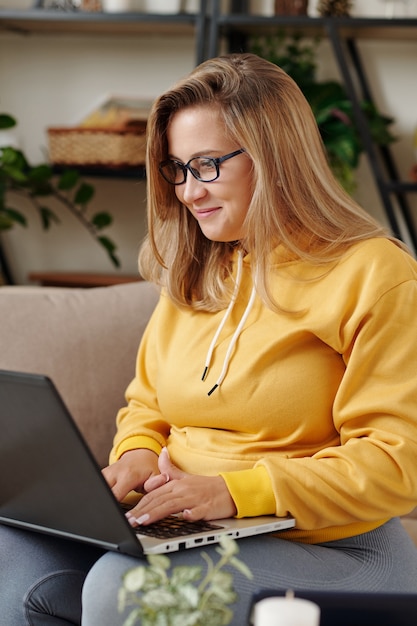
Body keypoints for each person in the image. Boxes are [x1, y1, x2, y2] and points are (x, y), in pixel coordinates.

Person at [2, 52, 417, 625]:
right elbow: (147, 405)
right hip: (196, 530)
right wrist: (136, 457)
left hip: (333, 548)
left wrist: (233, 492)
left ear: (275, 158)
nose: (187, 192)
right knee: (10, 550)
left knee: (128, 587)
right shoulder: (200, 272)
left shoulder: (375, 274)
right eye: (177, 168)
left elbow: (396, 463)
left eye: (207, 165)